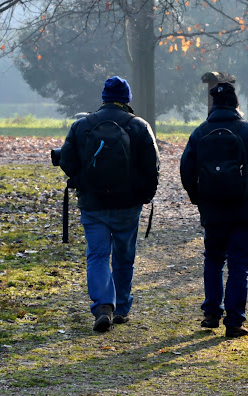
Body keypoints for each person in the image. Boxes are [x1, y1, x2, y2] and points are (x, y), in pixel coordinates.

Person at [180, 81, 248, 338]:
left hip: (212, 210)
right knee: (239, 266)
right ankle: (234, 322)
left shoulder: (199, 133)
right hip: (245, 211)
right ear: (236, 104)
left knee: (213, 260)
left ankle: (210, 313)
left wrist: (197, 197)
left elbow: (186, 169)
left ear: (213, 105)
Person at [59, 76, 160, 332]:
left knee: (97, 255)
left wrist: (81, 181)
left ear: (103, 97)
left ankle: (103, 305)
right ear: (127, 99)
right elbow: (153, 167)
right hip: (128, 204)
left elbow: (67, 162)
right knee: (124, 255)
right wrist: (145, 194)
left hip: (93, 203)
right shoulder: (139, 126)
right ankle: (122, 307)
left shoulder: (82, 126)